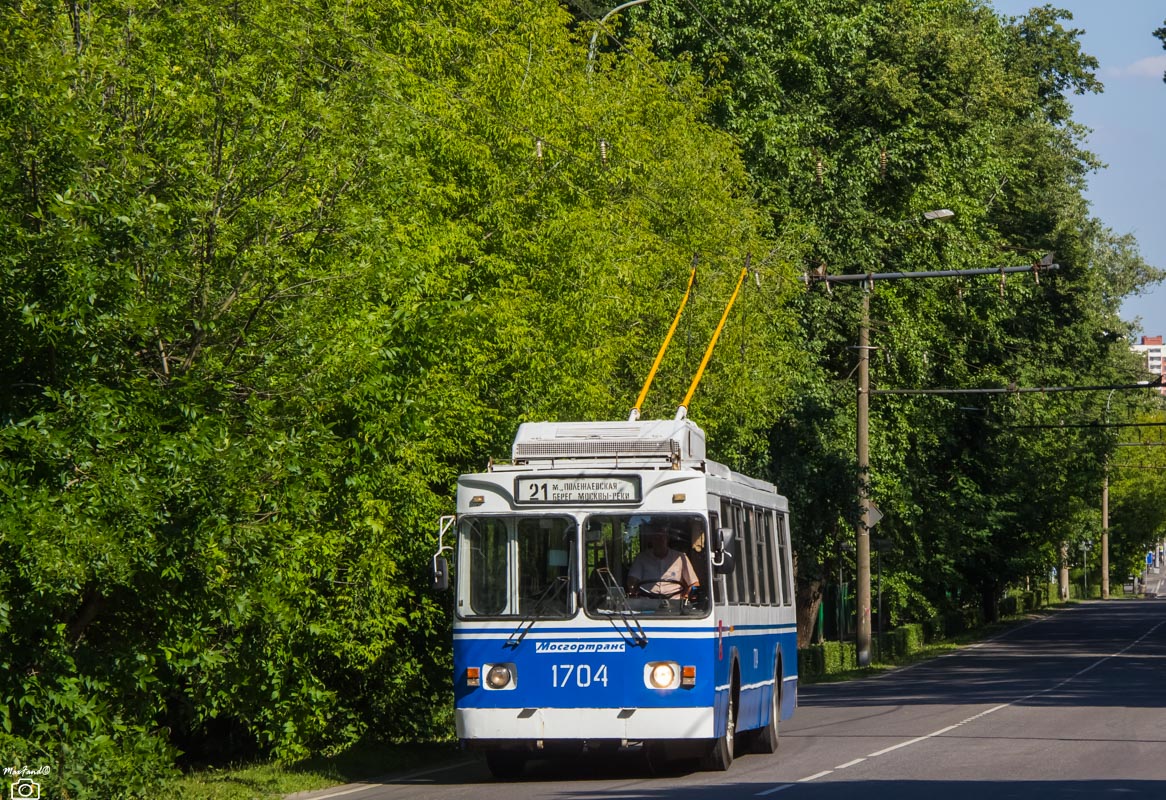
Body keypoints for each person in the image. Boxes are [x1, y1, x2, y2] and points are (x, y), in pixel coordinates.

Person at [627, 526, 699, 598]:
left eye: (662, 537)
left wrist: (686, 596)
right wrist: (633, 587)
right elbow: (632, 581)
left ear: (667, 539)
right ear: (651, 540)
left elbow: (694, 583)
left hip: (675, 603)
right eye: (656, 537)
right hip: (647, 602)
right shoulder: (641, 558)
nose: (659, 540)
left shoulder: (680, 557)